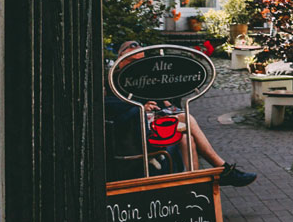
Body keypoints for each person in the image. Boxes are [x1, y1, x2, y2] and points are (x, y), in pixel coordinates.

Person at [107, 40, 257, 187]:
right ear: (120, 59)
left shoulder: (142, 75)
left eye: (140, 61)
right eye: (131, 60)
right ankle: (224, 170)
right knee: (187, 118)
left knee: (187, 139)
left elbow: (153, 97)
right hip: (134, 129)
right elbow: (118, 104)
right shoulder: (114, 79)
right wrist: (141, 106)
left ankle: (194, 187)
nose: (135, 65)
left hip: (149, 120)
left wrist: (162, 101)